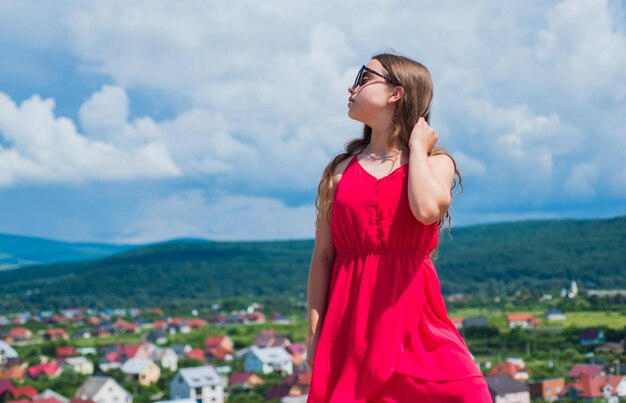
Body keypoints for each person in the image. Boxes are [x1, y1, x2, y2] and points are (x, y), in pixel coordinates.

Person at [305, 53, 492, 402]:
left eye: (364, 77)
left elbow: (424, 209)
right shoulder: (340, 171)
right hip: (348, 334)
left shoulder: (436, 163)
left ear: (396, 93)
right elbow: (323, 257)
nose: (352, 86)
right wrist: (315, 334)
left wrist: (418, 148)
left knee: (470, 393)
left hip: (418, 329)